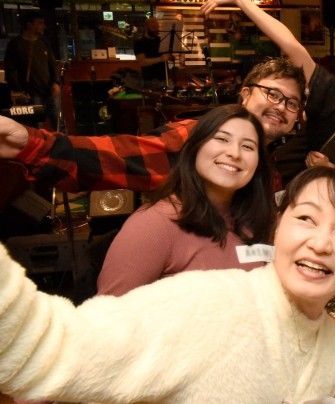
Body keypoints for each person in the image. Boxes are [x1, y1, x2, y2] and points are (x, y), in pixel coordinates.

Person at [0, 166, 335, 403]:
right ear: (277, 226)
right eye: (306, 219)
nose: (320, 243)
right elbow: (44, 350)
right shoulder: (205, 304)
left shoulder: (333, 348)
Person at [0, 57, 305, 193]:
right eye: (273, 94)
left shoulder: (271, 165)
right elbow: (122, 155)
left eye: (292, 103)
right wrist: (29, 143)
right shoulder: (202, 137)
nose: (281, 106)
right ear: (246, 93)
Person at [202, 0, 335, 182]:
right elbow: (291, 45)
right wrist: (241, 0)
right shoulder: (330, 91)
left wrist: (331, 168)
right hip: (289, 179)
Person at [97, 105, 273, 296]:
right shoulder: (153, 225)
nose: (235, 153)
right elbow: (108, 317)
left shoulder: (261, 223)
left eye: (248, 146)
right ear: (195, 147)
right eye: (222, 139)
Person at [3, 10, 60, 127]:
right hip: (29, 93)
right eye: (39, 23)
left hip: (48, 90)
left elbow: (52, 64)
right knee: (35, 125)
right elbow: (11, 70)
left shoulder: (44, 42)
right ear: (29, 25)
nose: (43, 26)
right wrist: (18, 90)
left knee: (57, 122)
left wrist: (55, 82)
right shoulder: (15, 44)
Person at [134, 17, 171, 86]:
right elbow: (142, 62)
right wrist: (160, 59)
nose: (156, 30)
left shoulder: (161, 40)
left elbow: (167, 57)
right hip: (149, 80)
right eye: (153, 27)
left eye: (157, 27)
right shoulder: (139, 42)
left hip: (164, 78)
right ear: (146, 28)